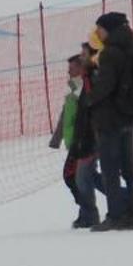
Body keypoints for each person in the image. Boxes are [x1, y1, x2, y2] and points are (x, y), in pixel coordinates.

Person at [82, 12, 133, 232]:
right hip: (129, 115)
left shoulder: (110, 53)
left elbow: (105, 85)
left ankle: (115, 214)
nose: (98, 33)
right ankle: (132, 213)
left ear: (109, 29)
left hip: (110, 117)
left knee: (110, 167)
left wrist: (89, 102)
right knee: (129, 164)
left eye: (100, 29)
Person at [49, 50, 101, 229]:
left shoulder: (84, 89)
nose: (68, 72)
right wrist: (56, 139)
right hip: (76, 142)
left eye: (71, 68)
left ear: (81, 68)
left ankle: (89, 213)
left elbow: (84, 117)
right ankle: (122, 199)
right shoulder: (74, 90)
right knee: (87, 177)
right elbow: (66, 117)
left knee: (72, 176)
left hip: (84, 142)